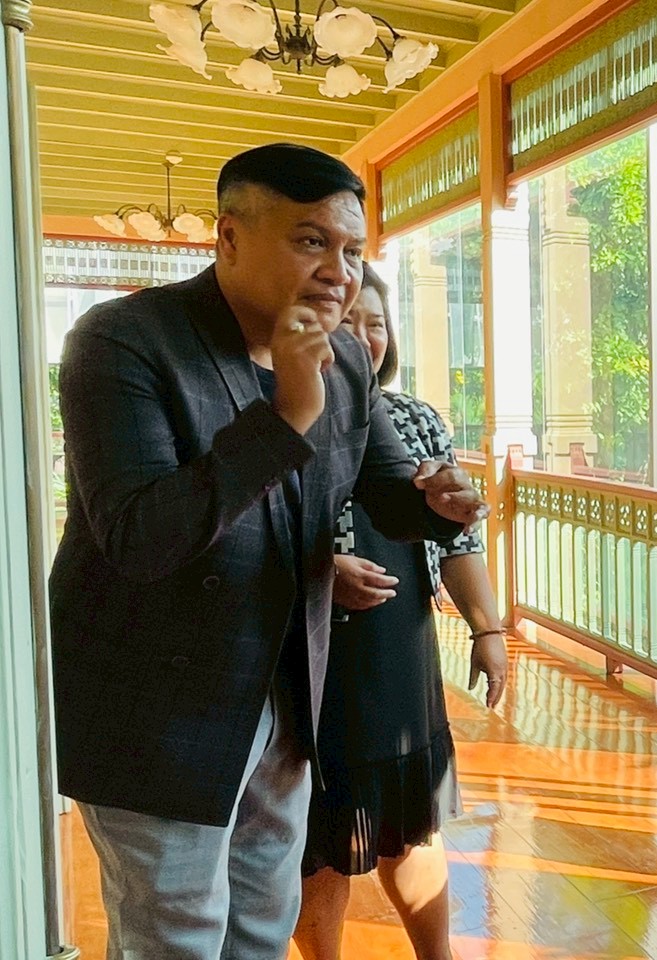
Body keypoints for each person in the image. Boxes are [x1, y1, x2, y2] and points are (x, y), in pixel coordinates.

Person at [51, 143, 484, 959]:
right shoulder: (124, 342)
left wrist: (438, 501)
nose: (337, 272)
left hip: (287, 686)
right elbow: (140, 536)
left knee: (262, 916)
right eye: (310, 241)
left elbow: (390, 488)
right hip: (156, 702)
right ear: (229, 237)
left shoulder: (344, 356)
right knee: (175, 932)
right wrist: (287, 416)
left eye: (352, 250)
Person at [293, 265, 510, 960]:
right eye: (347, 322)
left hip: (399, 640)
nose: (362, 338)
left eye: (376, 324)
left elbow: (458, 540)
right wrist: (319, 576)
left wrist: (487, 628)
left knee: (412, 819)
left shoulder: (414, 417)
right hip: (307, 646)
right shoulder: (279, 414)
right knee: (318, 830)